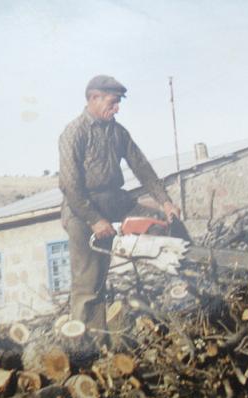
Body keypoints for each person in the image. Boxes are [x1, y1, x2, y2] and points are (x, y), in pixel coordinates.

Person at [59, 74, 181, 335]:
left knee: (163, 223)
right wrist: (94, 220)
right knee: (90, 282)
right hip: (82, 209)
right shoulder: (74, 133)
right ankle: (87, 345)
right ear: (94, 98)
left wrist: (165, 202)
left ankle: (184, 290)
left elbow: (142, 168)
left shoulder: (118, 132)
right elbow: (70, 186)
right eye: (112, 103)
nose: (117, 109)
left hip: (115, 201)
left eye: (118, 103)